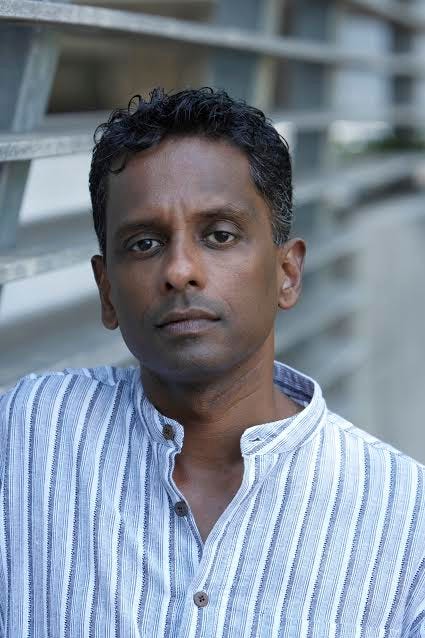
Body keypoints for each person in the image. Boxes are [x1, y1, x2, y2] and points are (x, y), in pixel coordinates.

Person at [0, 87, 424, 638]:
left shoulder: (403, 517)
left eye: (220, 235)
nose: (180, 270)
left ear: (288, 274)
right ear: (107, 292)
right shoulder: (29, 437)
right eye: (145, 243)